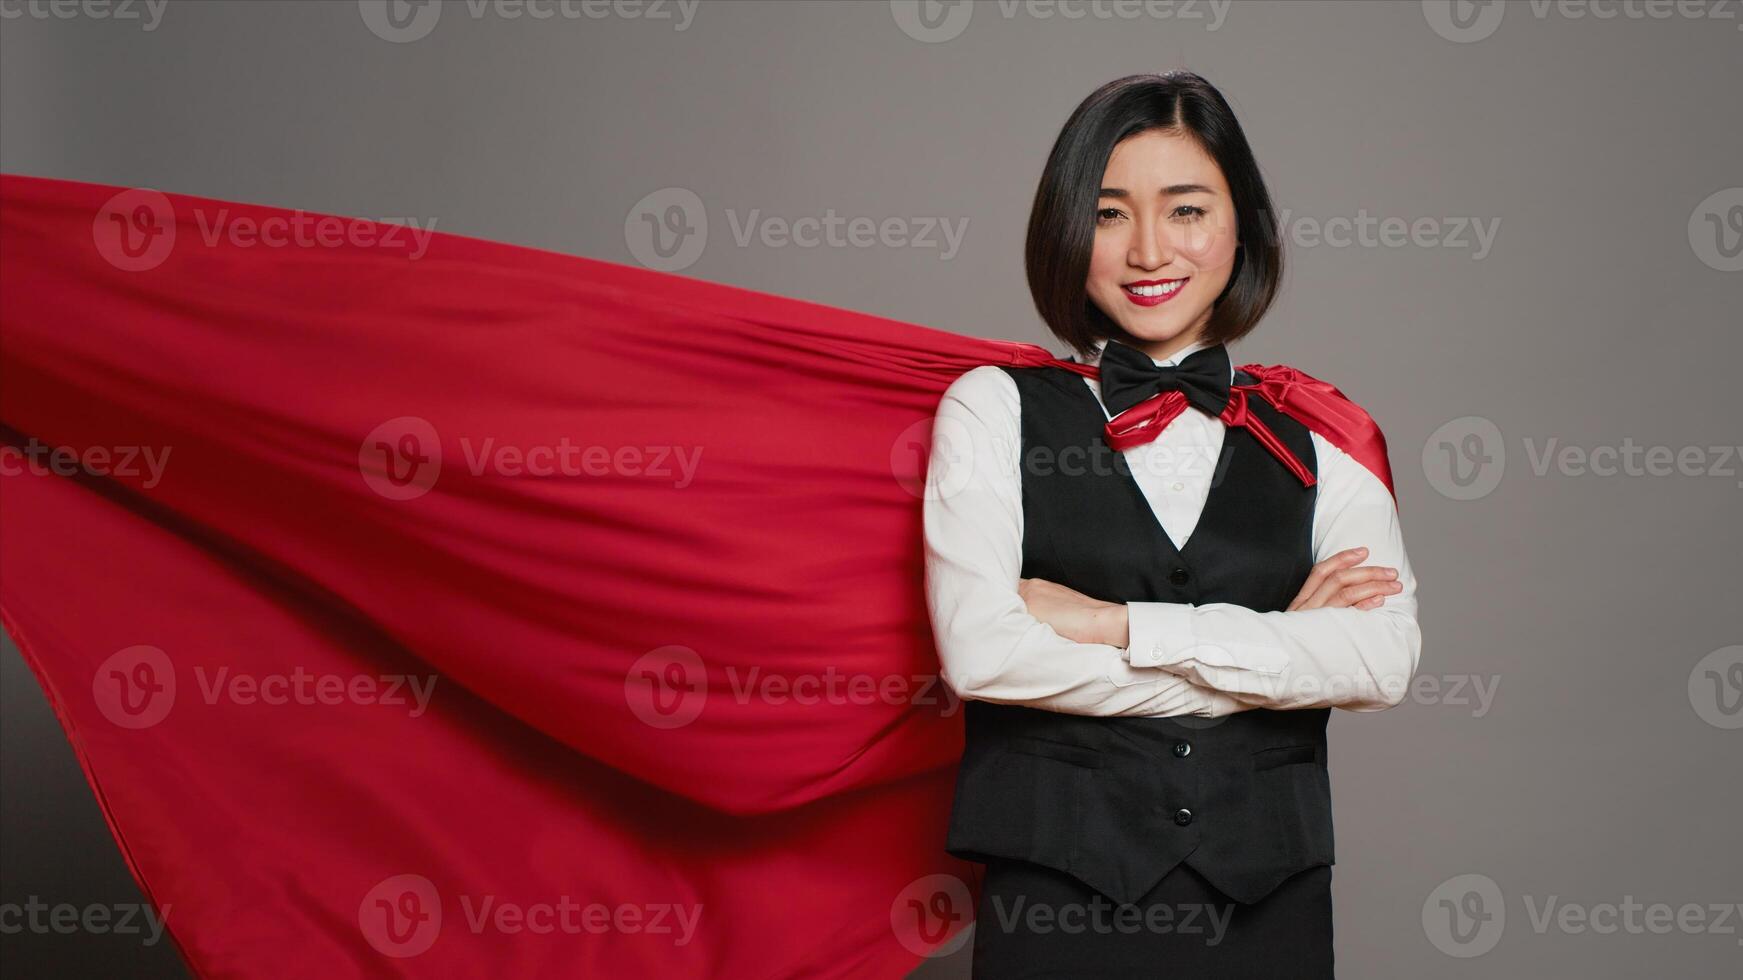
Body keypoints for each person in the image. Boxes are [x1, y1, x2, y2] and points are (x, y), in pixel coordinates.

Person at [923, 71, 1422, 977]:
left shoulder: (1322, 429)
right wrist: (1272, 660)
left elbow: (1379, 662)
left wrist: (1114, 625)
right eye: (1110, 214)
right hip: (1055, 906)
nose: (1149, 249)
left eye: (1185, 209)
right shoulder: (991, 409)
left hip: (1270, 912)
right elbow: (982, 656)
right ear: (1067, 230)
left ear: (1243, 226)